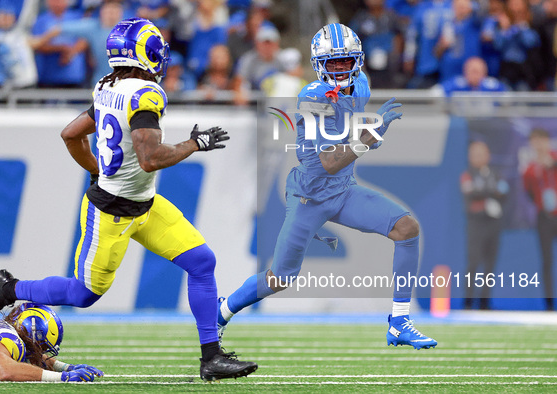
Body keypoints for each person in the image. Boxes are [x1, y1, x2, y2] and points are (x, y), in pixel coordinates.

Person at [0, 17, 257, 382]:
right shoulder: (145, 94)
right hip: (112, 210)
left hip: (144, 203)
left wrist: (96, 168)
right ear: (146, 53)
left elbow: (70, 134)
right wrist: (194, 143)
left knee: (201, 261)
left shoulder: (109, 86)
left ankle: (211, 358)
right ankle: (9, 288)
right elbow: (150, 158)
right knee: (84, 293)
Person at [217, 23, 438, 350]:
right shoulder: (312, 97)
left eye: (344, 61)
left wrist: (362, 135)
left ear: (357, 60)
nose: (338, 69)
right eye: (331, 63)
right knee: (280, 278)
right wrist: (370, 136)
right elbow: (326, 163)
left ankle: (400, 322)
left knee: (407, 228)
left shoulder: (360, 84)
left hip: (344, 190)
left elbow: (347, 132)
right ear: (319, 65)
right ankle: (221, 312)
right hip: (310, 195)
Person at [0, 302, 103, 382]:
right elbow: (5, 370)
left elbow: (29, 355)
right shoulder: (7, 338)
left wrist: (67, 367)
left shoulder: (3, 330)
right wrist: (63, 377)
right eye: (41, 345)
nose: (41, 352)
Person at [460, 141, 509, 310]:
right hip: (476, 224)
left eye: (482, 154)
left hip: (493, 224)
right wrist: (490, 193)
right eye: (475, 154)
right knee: (473, 263)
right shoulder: (467, 175)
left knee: (490, 264)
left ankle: (484, 301)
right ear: (470, 157)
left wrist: (486, 193)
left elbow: (503, 192)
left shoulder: (495, 174)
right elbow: (471, 193)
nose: (479, 157)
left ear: (488, 155)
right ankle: (468, 301)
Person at [523, 128, 557, 310]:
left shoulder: (554, 158)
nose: (538, 145)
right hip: (544, 217)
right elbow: (528, 191)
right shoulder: (530, 168)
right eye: (534, 142)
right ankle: (550, 304)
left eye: (541, 140)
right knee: (546, 261)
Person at [440, 56, 507, 96]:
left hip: (488, 119)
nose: (474, 75)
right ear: (465, 72)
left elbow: (510, 99)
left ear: (484, 73)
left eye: (477, 72)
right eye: (472, 71)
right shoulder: (457, 83)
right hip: (461, 119)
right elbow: (434, 94)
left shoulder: (493, 86)